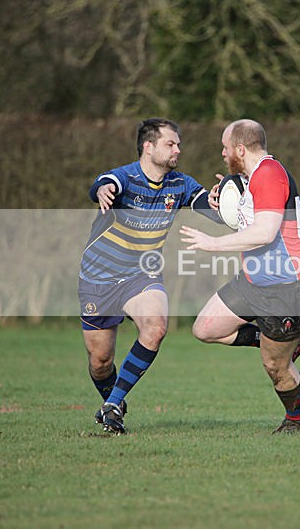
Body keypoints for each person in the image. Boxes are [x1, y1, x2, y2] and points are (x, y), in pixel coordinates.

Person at [79, 117, 217, 435]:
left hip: (141, 272)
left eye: (178, 144)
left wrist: (230, 200)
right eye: (171, 144)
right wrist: (103, 190)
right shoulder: (125, 177)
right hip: (98, 278)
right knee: (100, 362)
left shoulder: (180, 184)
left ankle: (114, 405)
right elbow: (103, 184)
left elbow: (210, 208)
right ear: (149, 147)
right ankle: (111, 400)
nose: (178, 149)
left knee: (155, 328)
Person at [180, 119, 300, 434]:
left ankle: (298, 420)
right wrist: (225, 202)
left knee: (276, 366)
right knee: (206, 328)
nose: (223, 154)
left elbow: (265, 233)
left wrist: (213, 244)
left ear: (240, 149)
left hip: (286, 290)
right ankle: (281, 342)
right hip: (253, 282)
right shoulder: (252, 178)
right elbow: (247, 219)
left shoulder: (269, 174)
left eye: (225, 148)